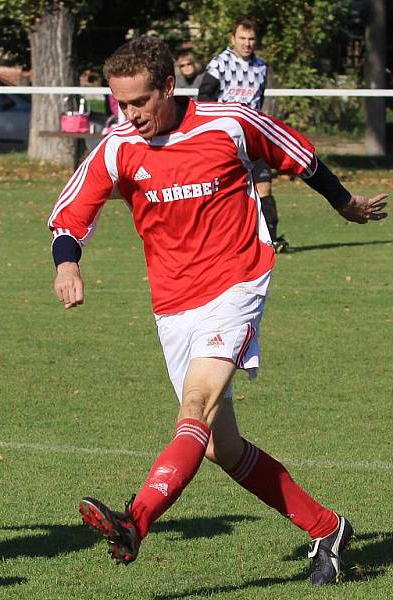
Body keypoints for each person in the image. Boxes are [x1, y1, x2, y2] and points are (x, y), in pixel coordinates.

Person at [48, 36, 387, 586]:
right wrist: (67, 265)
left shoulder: (229, 122)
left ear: (168, 88)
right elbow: (70, 213)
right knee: (222, 448)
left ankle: (136, 519)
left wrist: (344, 203)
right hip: (173, 304)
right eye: (119, 104)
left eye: (139, 103)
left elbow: (300, 158)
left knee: (196, 405)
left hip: (237, 283)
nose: (129, 115)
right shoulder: (117, 147)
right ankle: (327, 528)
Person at [198, 18, 288, 252]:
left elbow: (259, 100)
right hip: (225, 140)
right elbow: (204, 97)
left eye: (251, 39)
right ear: (232, 39)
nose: (247, 43)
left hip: (254, 139)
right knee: (222, 191)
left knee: (264, 187)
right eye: (242, 38)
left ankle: (270, 240)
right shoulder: (219, 63)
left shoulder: (261, 67)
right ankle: (216, 240)